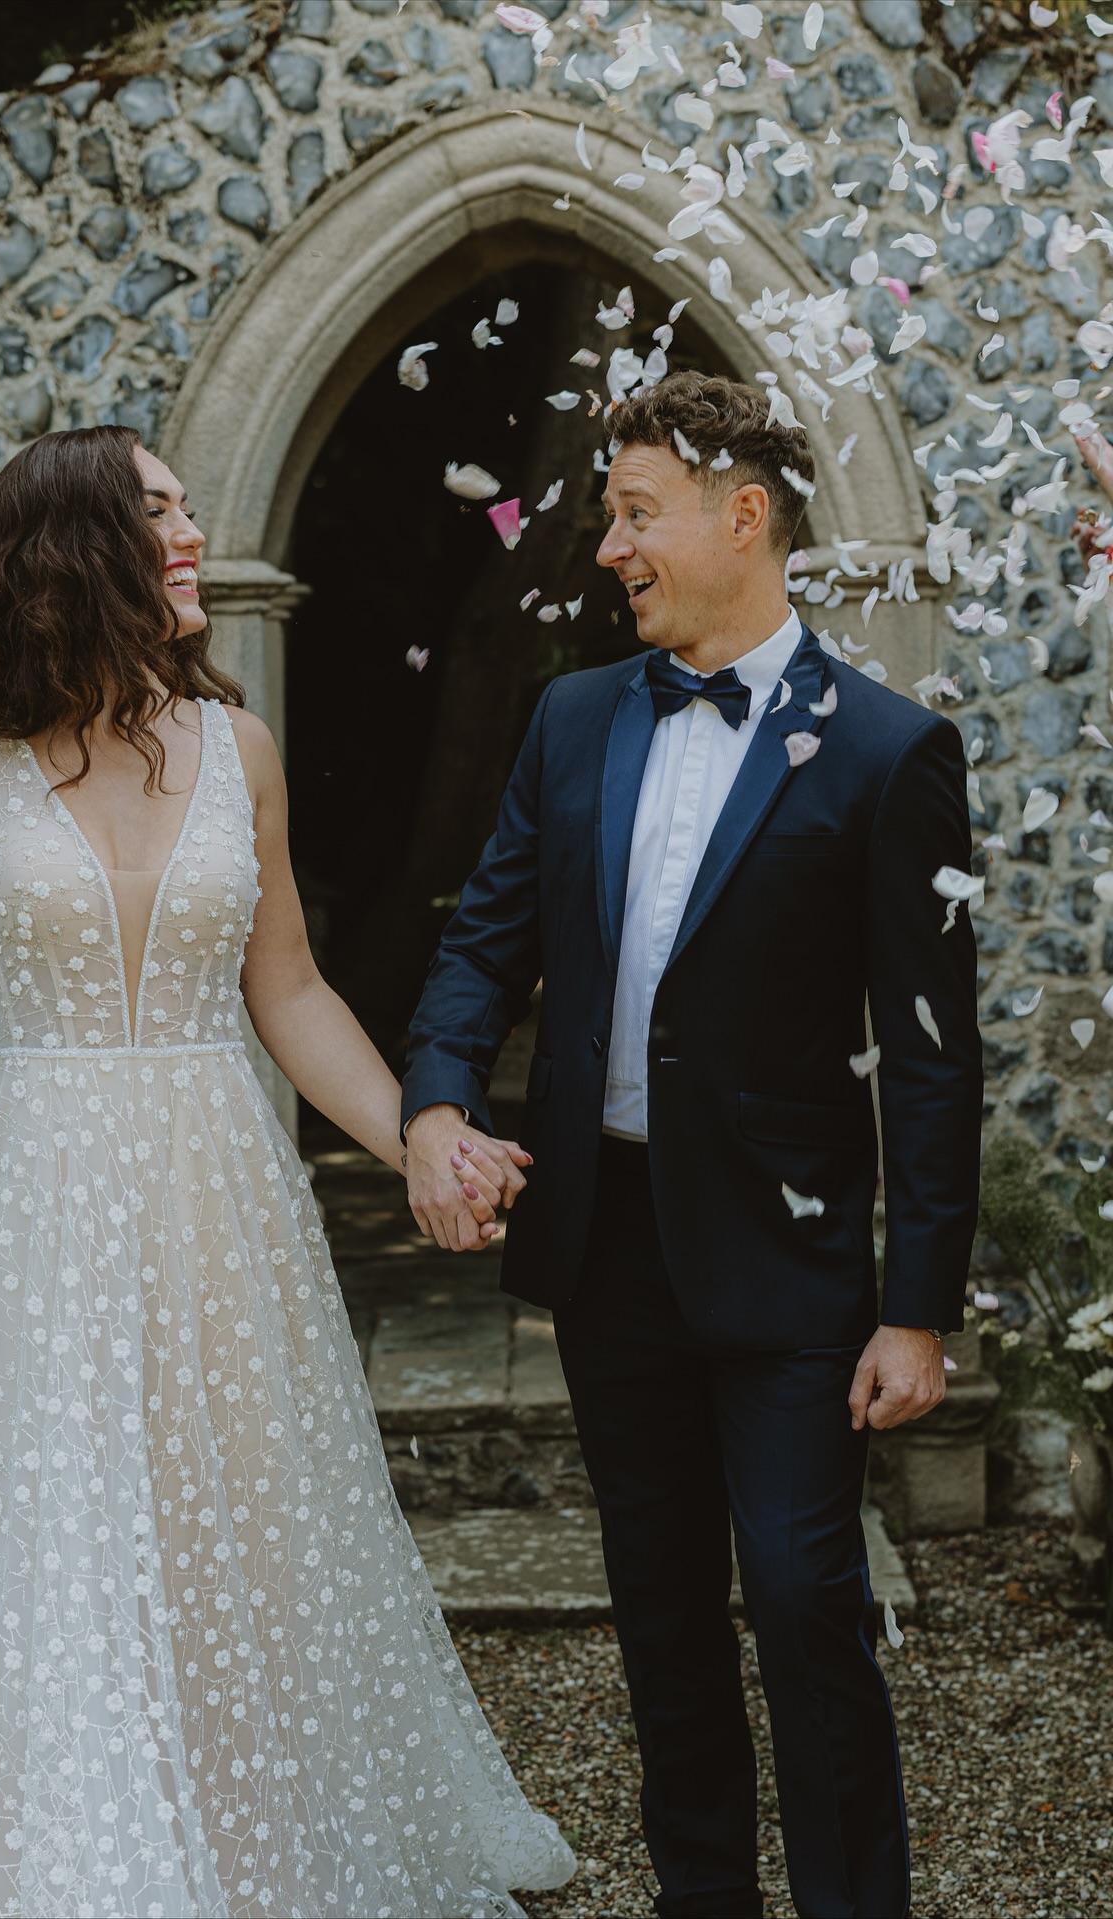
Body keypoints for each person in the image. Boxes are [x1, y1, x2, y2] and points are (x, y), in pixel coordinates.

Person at [0, 231, 575, 1918]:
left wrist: (414, 1140)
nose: (194, 535)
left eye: (188, 510)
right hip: (34, 1201)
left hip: (216, 1199)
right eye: (161, 513)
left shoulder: (235, 747)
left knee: (233, 1537)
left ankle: (247, 1853)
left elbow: (291, 989)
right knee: (37, 1543)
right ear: (74, 546)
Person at [401, 370, 983, 1919]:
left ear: (746, 519)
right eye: (605, 513)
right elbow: (487, 943)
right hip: (609, 1246)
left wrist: (916, 1304)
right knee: (662, 1614)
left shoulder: (886, 752)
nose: (608, 546)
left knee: (804, 1600)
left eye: (636, 511)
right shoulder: (575, 717)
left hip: (790, 1262)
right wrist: (439, 1103)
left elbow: (930, 1056)